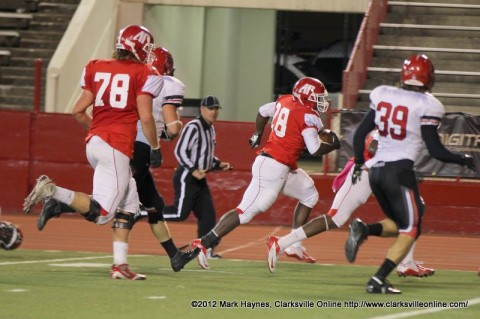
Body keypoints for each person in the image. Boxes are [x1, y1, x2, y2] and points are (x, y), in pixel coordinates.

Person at [36, 47, 200, 273]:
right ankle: (59, 202)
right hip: (133, 146)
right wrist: (167, 136)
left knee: (150, 205)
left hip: (114, 141)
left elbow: (82, 109)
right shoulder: (162, 80)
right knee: (112, 208)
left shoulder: (118, 71)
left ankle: (171, 256)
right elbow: (167, 125)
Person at [23, 25, 164, 280]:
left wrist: (100, 130)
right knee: (102, 214)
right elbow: (145, 116)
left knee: (129, 203)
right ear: (138, 47)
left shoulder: (95, 66)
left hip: (95, 143)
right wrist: (155, 147)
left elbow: (77, 110)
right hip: (116, 147)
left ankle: (120, 266)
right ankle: (53, 192)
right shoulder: (144, 72)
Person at [344, 54, 476, 294]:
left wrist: (359, 162)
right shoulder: (428, 104)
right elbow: (435, 150)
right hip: (399, 172)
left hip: (376, 171)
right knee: (412, 229)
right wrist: (464, 159)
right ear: (429, 77)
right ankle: (378, 279)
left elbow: (361, 132)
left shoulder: (383, 92)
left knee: (400, 224)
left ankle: (365, 230)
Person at [190, 77, 340, 270]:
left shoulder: (285, 101)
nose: (321, 101)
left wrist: (257, 133)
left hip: (279, 165)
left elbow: (262, 112)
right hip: (273, 167)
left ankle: (293, 245)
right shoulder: (308, 116)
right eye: (317, 97)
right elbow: (314, 149)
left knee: (309, 194)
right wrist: (333, 144)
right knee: (245, 212)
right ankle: (204, 243)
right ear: (306, 97)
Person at [267, 130, 435, 277]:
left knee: (415, 208)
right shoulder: (394, 125)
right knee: (335, 218)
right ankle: (281, 243)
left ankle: (406, 263)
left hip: (385, 175)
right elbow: (372, 145)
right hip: (365, 172)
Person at [163, 95, 232, 259]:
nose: (214, 112)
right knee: (180, 214)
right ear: (202, 109)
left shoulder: (211, 128)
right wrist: (193, 169)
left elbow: (205, 155)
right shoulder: (193, 126)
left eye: (216, 109)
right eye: (211, 108)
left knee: (208, 215)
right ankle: (145, 212)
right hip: (187, 176)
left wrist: (217, 164)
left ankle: (205, 250)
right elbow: (180, 151)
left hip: (199, 179)